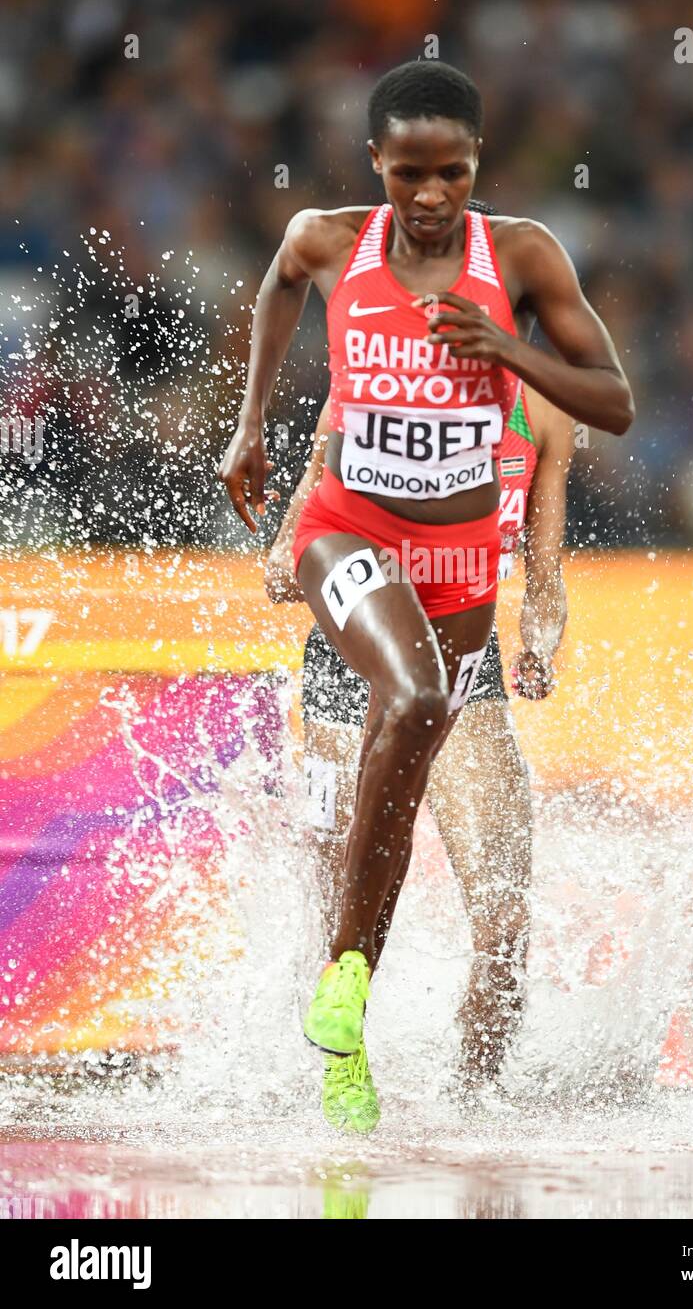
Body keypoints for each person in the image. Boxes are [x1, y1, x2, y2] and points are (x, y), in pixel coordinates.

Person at [218, 60, 634, 1133]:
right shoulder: (333, 242)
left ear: (476, 164)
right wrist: (250, 429)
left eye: (452, 171)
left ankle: (453, 1089)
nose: (432, 195)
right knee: (359, 805)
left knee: (482, 885)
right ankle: (324, 1033)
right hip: (349, 567)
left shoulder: (523, 272)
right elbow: (283, 298)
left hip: (461, 591)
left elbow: (592, 444)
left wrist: (504, 348)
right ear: (378, 166)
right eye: (410, 174)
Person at [265, 349, 574, 1128]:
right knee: (337, 918)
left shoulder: (545, 404)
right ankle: (340, 1080)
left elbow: (545, 570)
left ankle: (473, 1109)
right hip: (352, 654)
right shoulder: (375, 372)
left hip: (464, 662)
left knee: (505, 922)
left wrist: (539, 640)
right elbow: (303, 517)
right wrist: (289, 543)